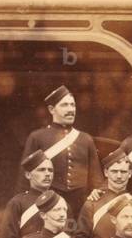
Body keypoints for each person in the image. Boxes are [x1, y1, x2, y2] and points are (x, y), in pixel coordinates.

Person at [17, 85, 102, 216]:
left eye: (72, 105)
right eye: (65, 105)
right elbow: (25, 177)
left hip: (80, 204)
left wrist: (97, 192)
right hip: (48, 202)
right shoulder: (37, 137)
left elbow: (96, 178)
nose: (70, 109)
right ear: (51, 109)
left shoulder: (86, 139)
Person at [75, 149, 132, 238]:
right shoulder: (92, 204)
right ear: (106, 172)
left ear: (130, 173)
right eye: (114, 171)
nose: (119, 176)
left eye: (123, 172)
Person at [2, 150, 51, 238]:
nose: (47, 174)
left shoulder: (60, 203)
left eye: (50, 170)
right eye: (42, 170)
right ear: (28, 175)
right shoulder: (17, 203)